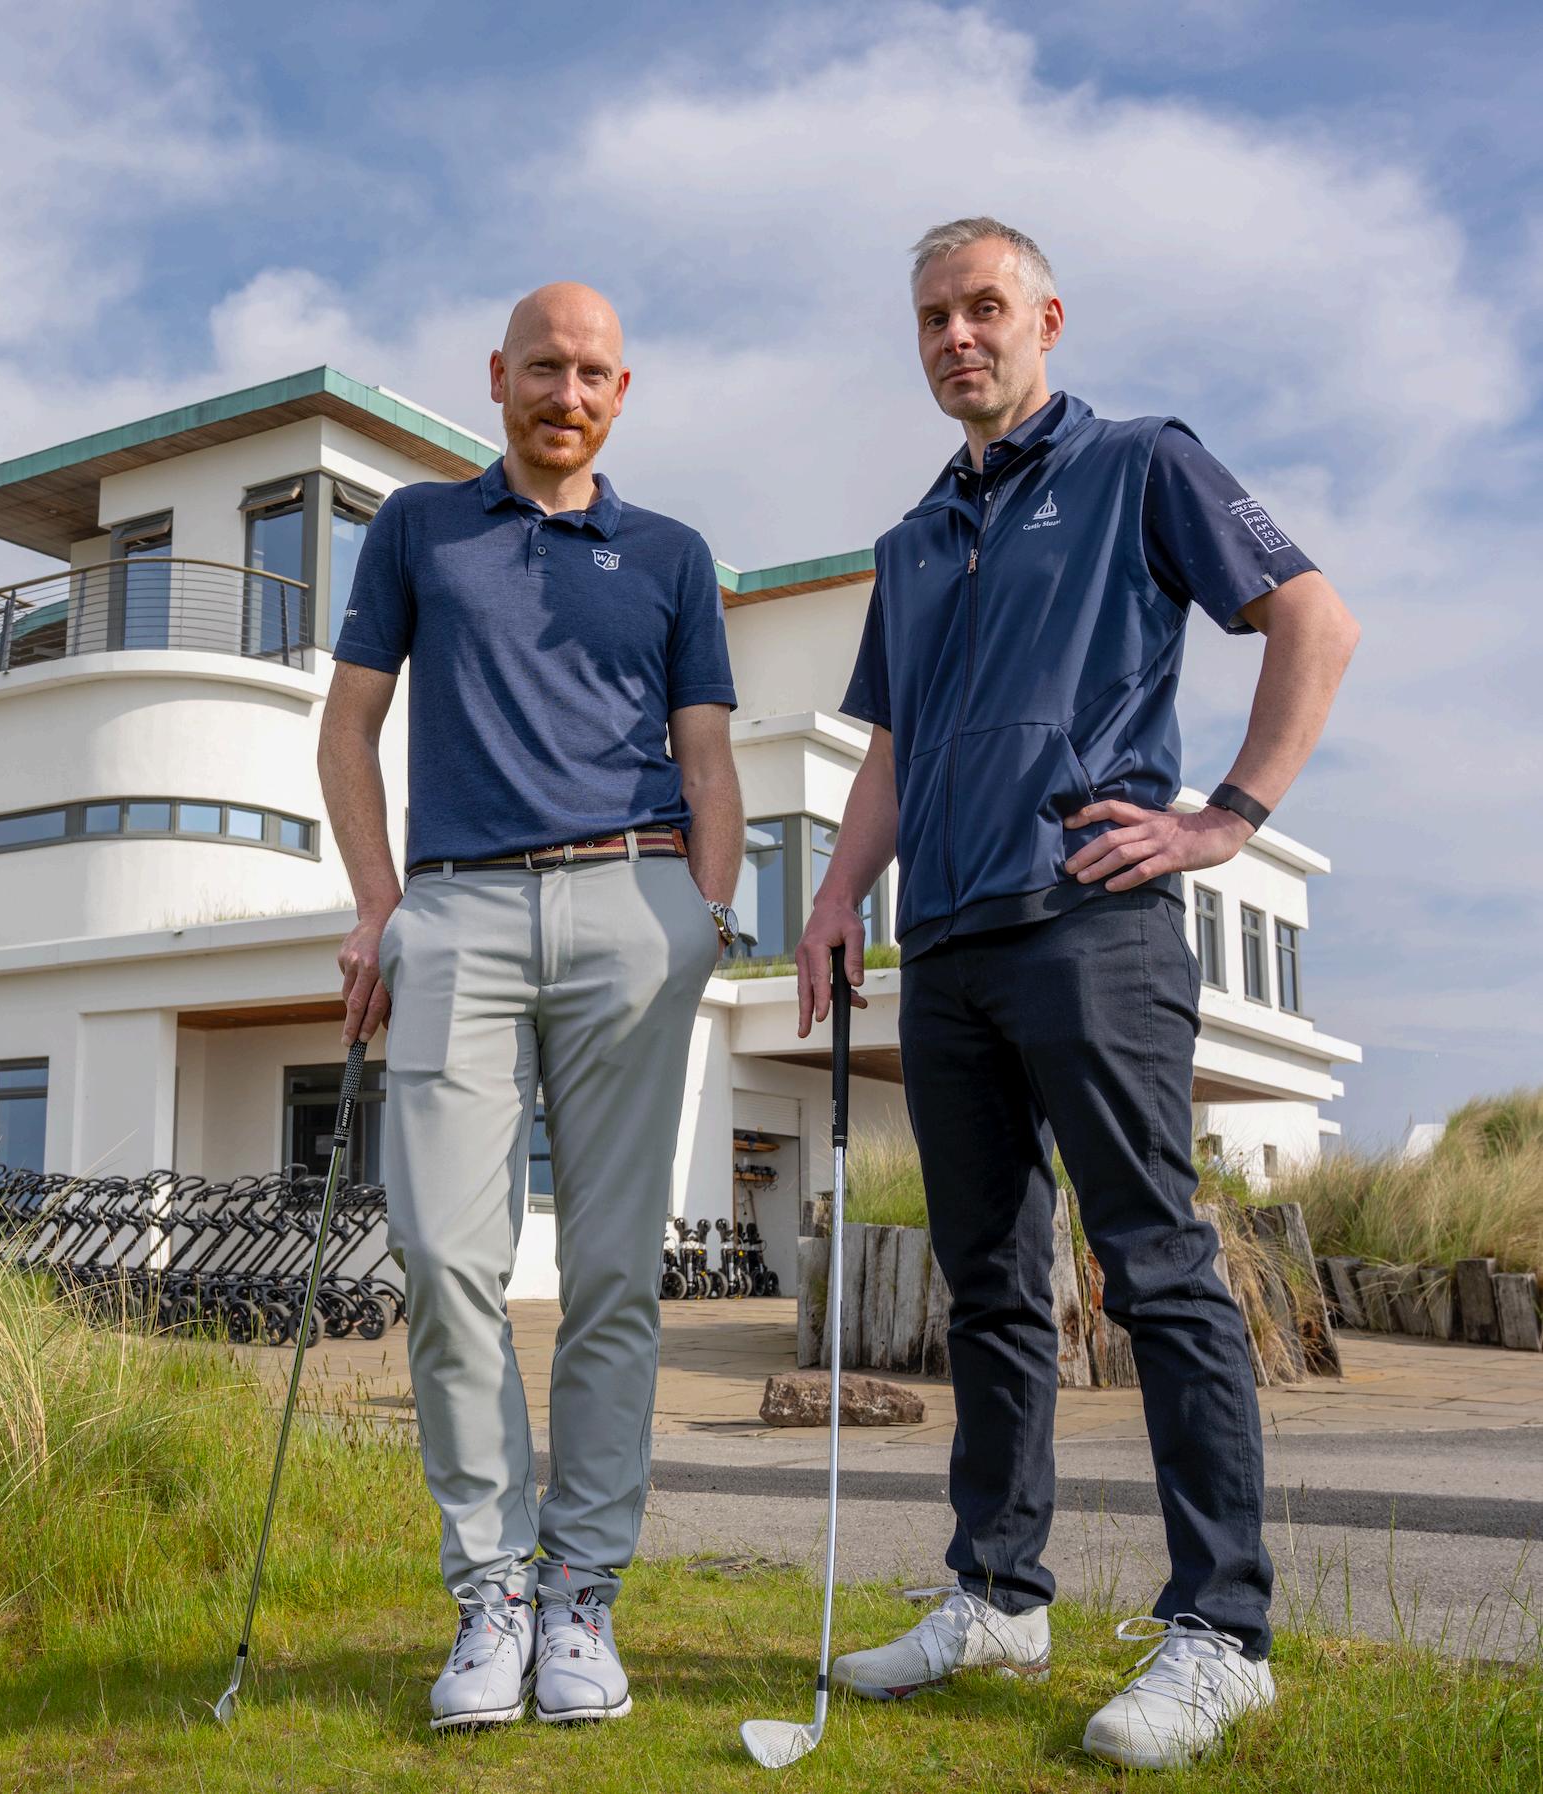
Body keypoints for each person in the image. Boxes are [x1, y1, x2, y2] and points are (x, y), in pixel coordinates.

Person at [796, 218, 1359, 1770]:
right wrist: (837, 896)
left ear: (1047, 317)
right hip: (946, 947)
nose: (957, 337)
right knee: (986, 1284)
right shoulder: (912, 539)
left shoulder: (1140, 462)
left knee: (1157, 1267)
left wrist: (1226, 817)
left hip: (1093, 928)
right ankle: (996, 1594)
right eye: (932, 317)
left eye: (984, 307)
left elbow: (1315, 618)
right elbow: (894, 747)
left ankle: (1222, 1631)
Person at [318, 282, 743, 1731]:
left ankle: (582, 1598)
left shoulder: (673, 554)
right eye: (544, 367)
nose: (568, 392)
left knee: (617, 1271)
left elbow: (707, 757)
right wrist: (380, 909)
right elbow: (349, 727)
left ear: (623, 392)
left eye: (593, 373)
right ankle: (492, 1591)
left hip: (634, 907)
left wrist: (705, 917)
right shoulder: (417, 529)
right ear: (497, 374)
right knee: (445, 1254)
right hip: (459, 912)